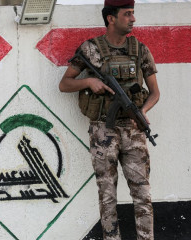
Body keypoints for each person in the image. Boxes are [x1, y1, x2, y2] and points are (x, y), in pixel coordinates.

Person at [59, 0, 160, 239]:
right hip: (103, 130)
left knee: (143, 196)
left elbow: (155, 93)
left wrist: (143, 111)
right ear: (110, 18)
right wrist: (88, 82)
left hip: (134, 130)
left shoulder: (140, 50)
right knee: (107, 197)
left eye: (133, 13)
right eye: (127, 14)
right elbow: (64, 84)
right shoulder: (91, 50)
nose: (133, 19)